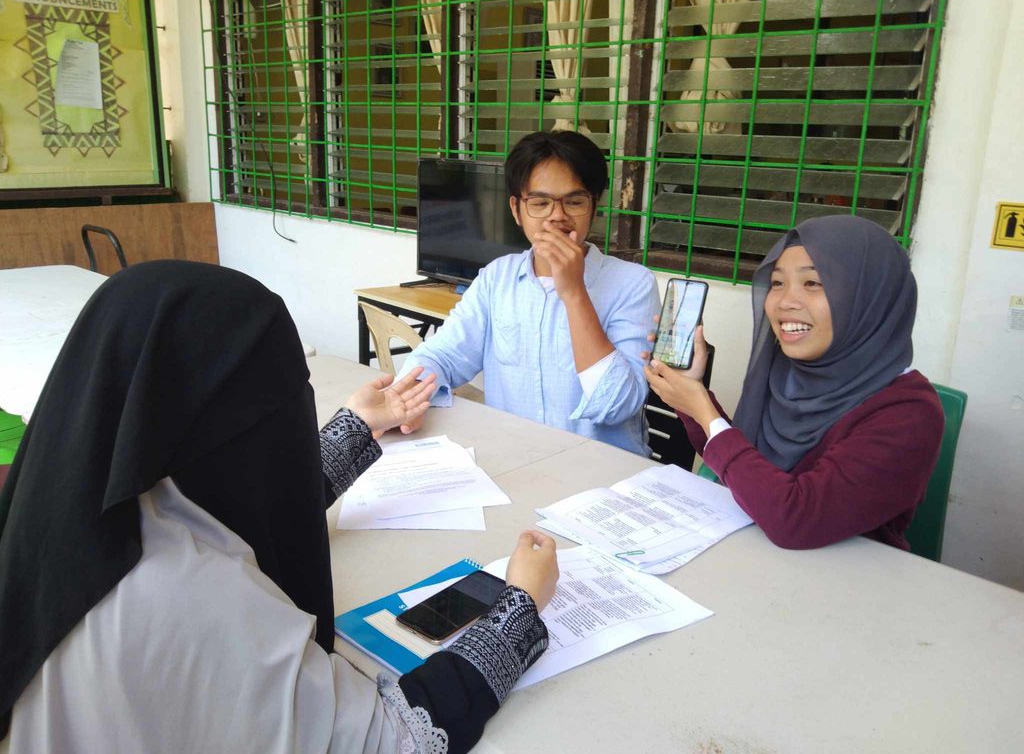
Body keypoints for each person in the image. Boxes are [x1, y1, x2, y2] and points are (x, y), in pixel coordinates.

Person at [0, 260, 558, 754]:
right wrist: (519, 609)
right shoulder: (193, 598)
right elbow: (395, 740)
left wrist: (357, 426)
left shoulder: (67, 500)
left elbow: (248, 501)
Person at [644, 215, 944, 551]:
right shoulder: (789, 375)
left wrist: (704, 412)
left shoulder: (910, 413)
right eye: (776, 283)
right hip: (757, 555)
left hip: (847, 574)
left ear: (871, 298)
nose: (785, 302)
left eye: (812, 283)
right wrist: (691, 396)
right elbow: (747, 468)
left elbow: (796, 519)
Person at [401, 131, 661, 456]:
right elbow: (443, 357)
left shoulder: (633, 284)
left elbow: (616, 405)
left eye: (574, 202)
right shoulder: (497, 278)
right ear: (516, 209)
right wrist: (404, 398)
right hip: (515, 460)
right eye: (539, 203)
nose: (557, 216)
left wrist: (574, 293)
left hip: (603, 469)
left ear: (595, 206)